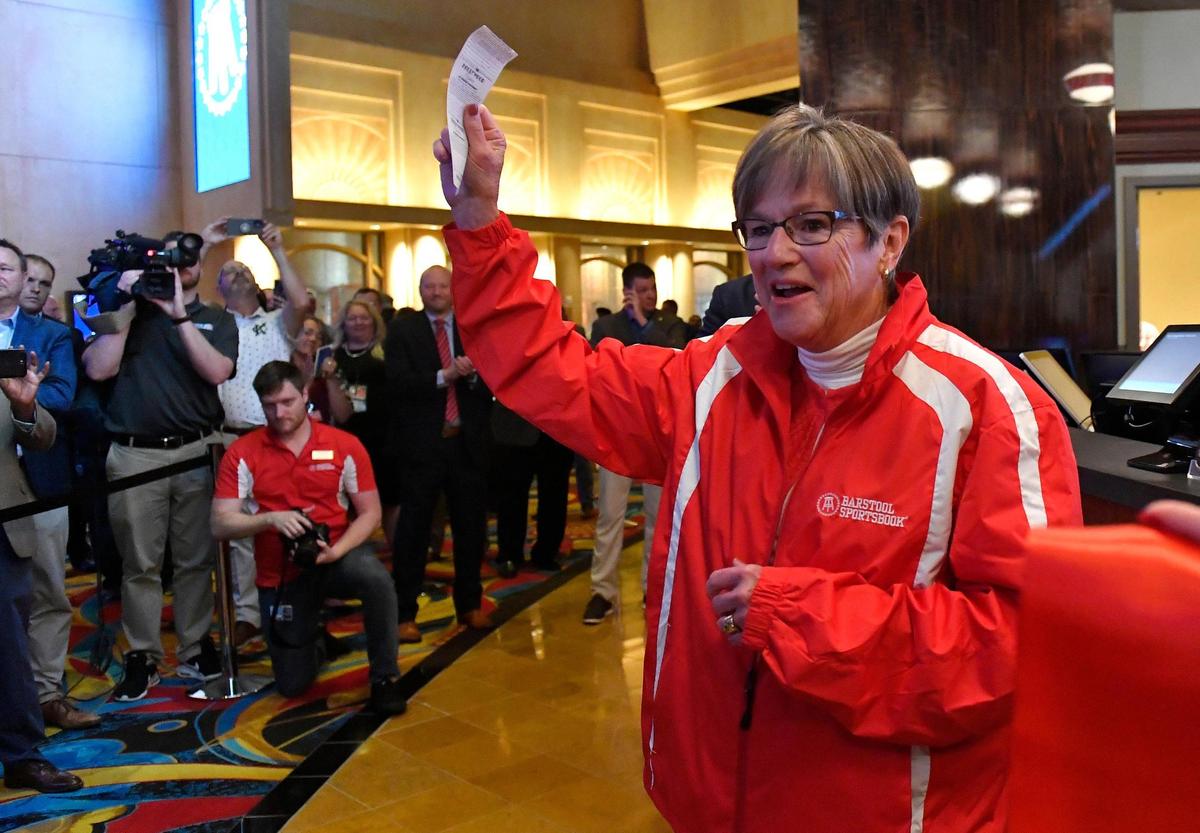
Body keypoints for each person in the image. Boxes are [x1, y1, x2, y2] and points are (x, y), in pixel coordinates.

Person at [434, 103, 1082, 832]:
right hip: (706, 802)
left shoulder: (986, 407)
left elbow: (1019, 649)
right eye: (760, 228)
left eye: (812, 224)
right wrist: (480, 219)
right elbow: (551, 371)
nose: (776, 253)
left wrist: (799, 615)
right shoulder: (712, 376)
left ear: (889, 240)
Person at [83, 228, 238, 702]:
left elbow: (216, 372)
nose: (179, 263)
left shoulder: (215, 318)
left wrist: (177, 317)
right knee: (140, 564)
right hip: (134, 454)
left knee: (195, 560)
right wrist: (130, 304)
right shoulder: (127, 315)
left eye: (189, 255)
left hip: (196, 450)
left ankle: (195, 647)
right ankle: (143, 656)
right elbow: (97, 369)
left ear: (199, 266)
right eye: (169, 256)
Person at [210, 361, 405, 714]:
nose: (279, 412)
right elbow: (220, 524)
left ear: (304, 395)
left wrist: (337, 551)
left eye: (287, 402)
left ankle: (385, 678)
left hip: (337, 554)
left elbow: (371, 512)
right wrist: (270, 519)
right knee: (292, 685)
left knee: (376, 579)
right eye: (269, 405)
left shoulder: (344, 444)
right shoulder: (243, 452)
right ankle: (314, 639)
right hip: (280, 570)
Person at [0, 246, 91, 730]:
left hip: (38, 478)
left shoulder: (53, 335)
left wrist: (18, 400)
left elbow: (59, 396)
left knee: (48, 590)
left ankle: (47, 693)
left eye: (7, 269)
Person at [385, 265, 494, 643]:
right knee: (413, 533)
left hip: (467, 444)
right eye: (429, 286)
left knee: (470, 530)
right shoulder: (404, 329)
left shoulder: (471, 327)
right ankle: (404, 613)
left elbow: (492, 382)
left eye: (442, 286)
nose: (436, 292)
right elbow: (396, 385)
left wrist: (473, 375)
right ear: (420, 291)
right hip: (422, 447)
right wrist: (443, 376)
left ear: (454, 289)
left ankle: (469, 604)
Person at [215, 221, 310, 648]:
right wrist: (208, 240)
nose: (236, 273)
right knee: (240, 532)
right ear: (218, 290)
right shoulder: (211, 328)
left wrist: (277, 250)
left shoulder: (276, 322)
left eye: (243, 270)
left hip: (278, 437)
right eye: (226, 272)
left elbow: (303, 301)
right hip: (231, 439)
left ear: (255, 284)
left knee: (287, 519)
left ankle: (296, 603)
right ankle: (249, 614)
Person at [0, 328, 82, 792]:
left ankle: (21, 756)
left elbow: (43, 437)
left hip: (3, 524)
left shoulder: (3, 369)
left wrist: (25, 406)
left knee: (9, 647)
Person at [582, 262, 684, 624]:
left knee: (659, 520)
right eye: (642, 290)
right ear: (626, 292)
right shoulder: (606, 327)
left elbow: (676, 362)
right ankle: (602, 592)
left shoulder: (670, 325)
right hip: (617, 438)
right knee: (611, 517)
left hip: (661, 439)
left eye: (652, 289)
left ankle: (651, 588)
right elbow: (600, 376)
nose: (650, 296)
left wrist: (643, 323)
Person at [321, 299, 399, 545]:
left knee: (390, 499)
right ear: (344, 323)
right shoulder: (333, 356)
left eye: (364, 317)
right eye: (352, 318)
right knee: (352, 501)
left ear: (374, 321)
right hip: (349, 437)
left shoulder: (387, 351)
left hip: (386, 436)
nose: (358, 322)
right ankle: (354, 556)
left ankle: (399, 559)